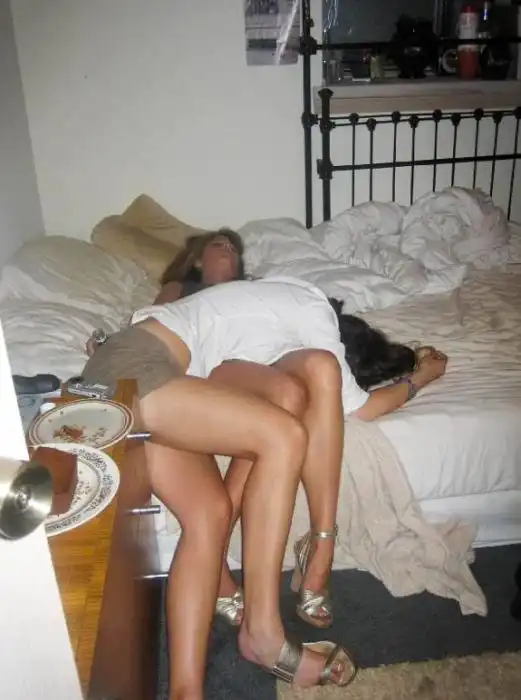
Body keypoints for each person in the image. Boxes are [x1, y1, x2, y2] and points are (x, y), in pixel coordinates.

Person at [82, 275, 447, 700]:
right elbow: (357, 406)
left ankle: (186, 692)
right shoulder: (314, 307)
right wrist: (420, 376)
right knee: (284, 436)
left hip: (152, 378)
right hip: (135, 368)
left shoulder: (266, 323)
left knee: (210, 514)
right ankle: (262, 632)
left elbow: (270, 386)